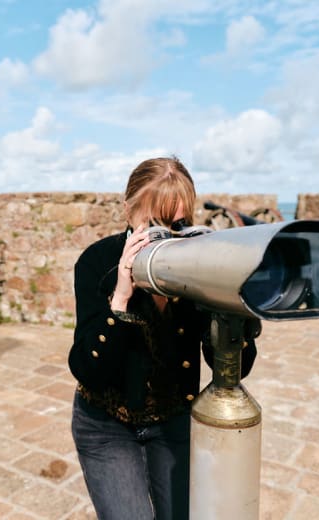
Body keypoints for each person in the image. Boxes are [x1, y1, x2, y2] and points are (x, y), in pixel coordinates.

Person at [68, 157, 258, 520]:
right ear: (128, 212)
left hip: (173, 422)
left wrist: (233, 307)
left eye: (177, 225)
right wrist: (121, 298)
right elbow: (86, 370)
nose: (165, 237)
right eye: (152, 224)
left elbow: (237, 369)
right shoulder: (97, 262)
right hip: (107, 426)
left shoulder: (196, 265)